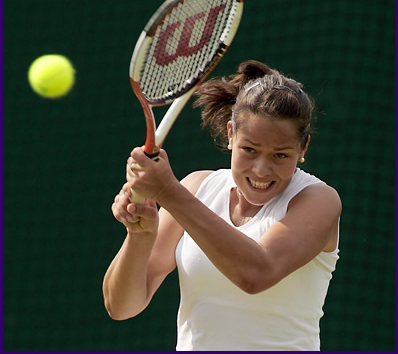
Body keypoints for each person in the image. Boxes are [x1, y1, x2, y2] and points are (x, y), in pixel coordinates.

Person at [103, 60, 342, 351]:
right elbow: (121, 306)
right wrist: (139, 237)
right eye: (249, 150)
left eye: (280, 155)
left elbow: (256, 274)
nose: (261, 170)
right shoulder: (197, 189)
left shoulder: (319, 200)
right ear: (231, 135)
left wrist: (169, 192)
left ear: (302, 148)